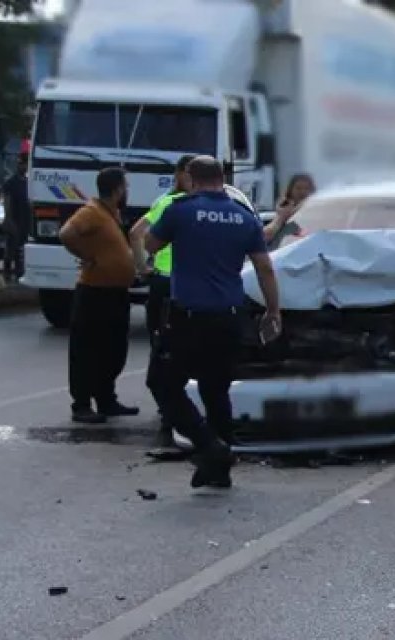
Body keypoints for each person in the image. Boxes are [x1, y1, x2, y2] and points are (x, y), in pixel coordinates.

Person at [145, 156, 281, 489]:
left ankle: (210, 446)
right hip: (229, 318)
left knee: (163, 384)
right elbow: (264, 267)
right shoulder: (244, 216)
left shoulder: (181, 210)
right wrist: (273, 310)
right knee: (215, 390)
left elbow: (150, 244)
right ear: (223, 178)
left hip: (188, 318)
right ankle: (218, 471)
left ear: (191, 178)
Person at [59, 167, 139, 424]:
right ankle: (81, 404)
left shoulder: (111, 214)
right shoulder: (92, 212)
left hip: (115, 293)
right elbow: (66, 234)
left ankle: (107, 399)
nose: (127, 191)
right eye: (125, 186)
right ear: (116, 190)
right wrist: (88, 256)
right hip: (94, 292)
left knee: (113, 349)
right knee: (87, 350)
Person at [129, 155, 195, 453]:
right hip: (186, 285)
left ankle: (171, 408)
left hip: (163, 282)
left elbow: (135, 233)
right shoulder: (179, 204)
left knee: (162, 349)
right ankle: (180, 412)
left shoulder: (167, 202)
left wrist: (143, 268)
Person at [1, 153, 31, 282]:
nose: (21, 166)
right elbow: (7, 201)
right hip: (14, 219)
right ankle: (7, 274)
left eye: (23, 164)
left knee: (21, 249)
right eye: (19, 163)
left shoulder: (29, 182)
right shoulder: (10, 182)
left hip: (26, 220)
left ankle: (19, 274)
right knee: (10, 249)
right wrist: (8, 220)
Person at [263, 173, 315, 246]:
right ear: (290, 190)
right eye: (298, 188)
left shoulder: (315, 213)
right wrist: (282, 217)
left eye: (306, 188)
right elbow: (263, 237)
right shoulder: (284, 212)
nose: (302, 192)